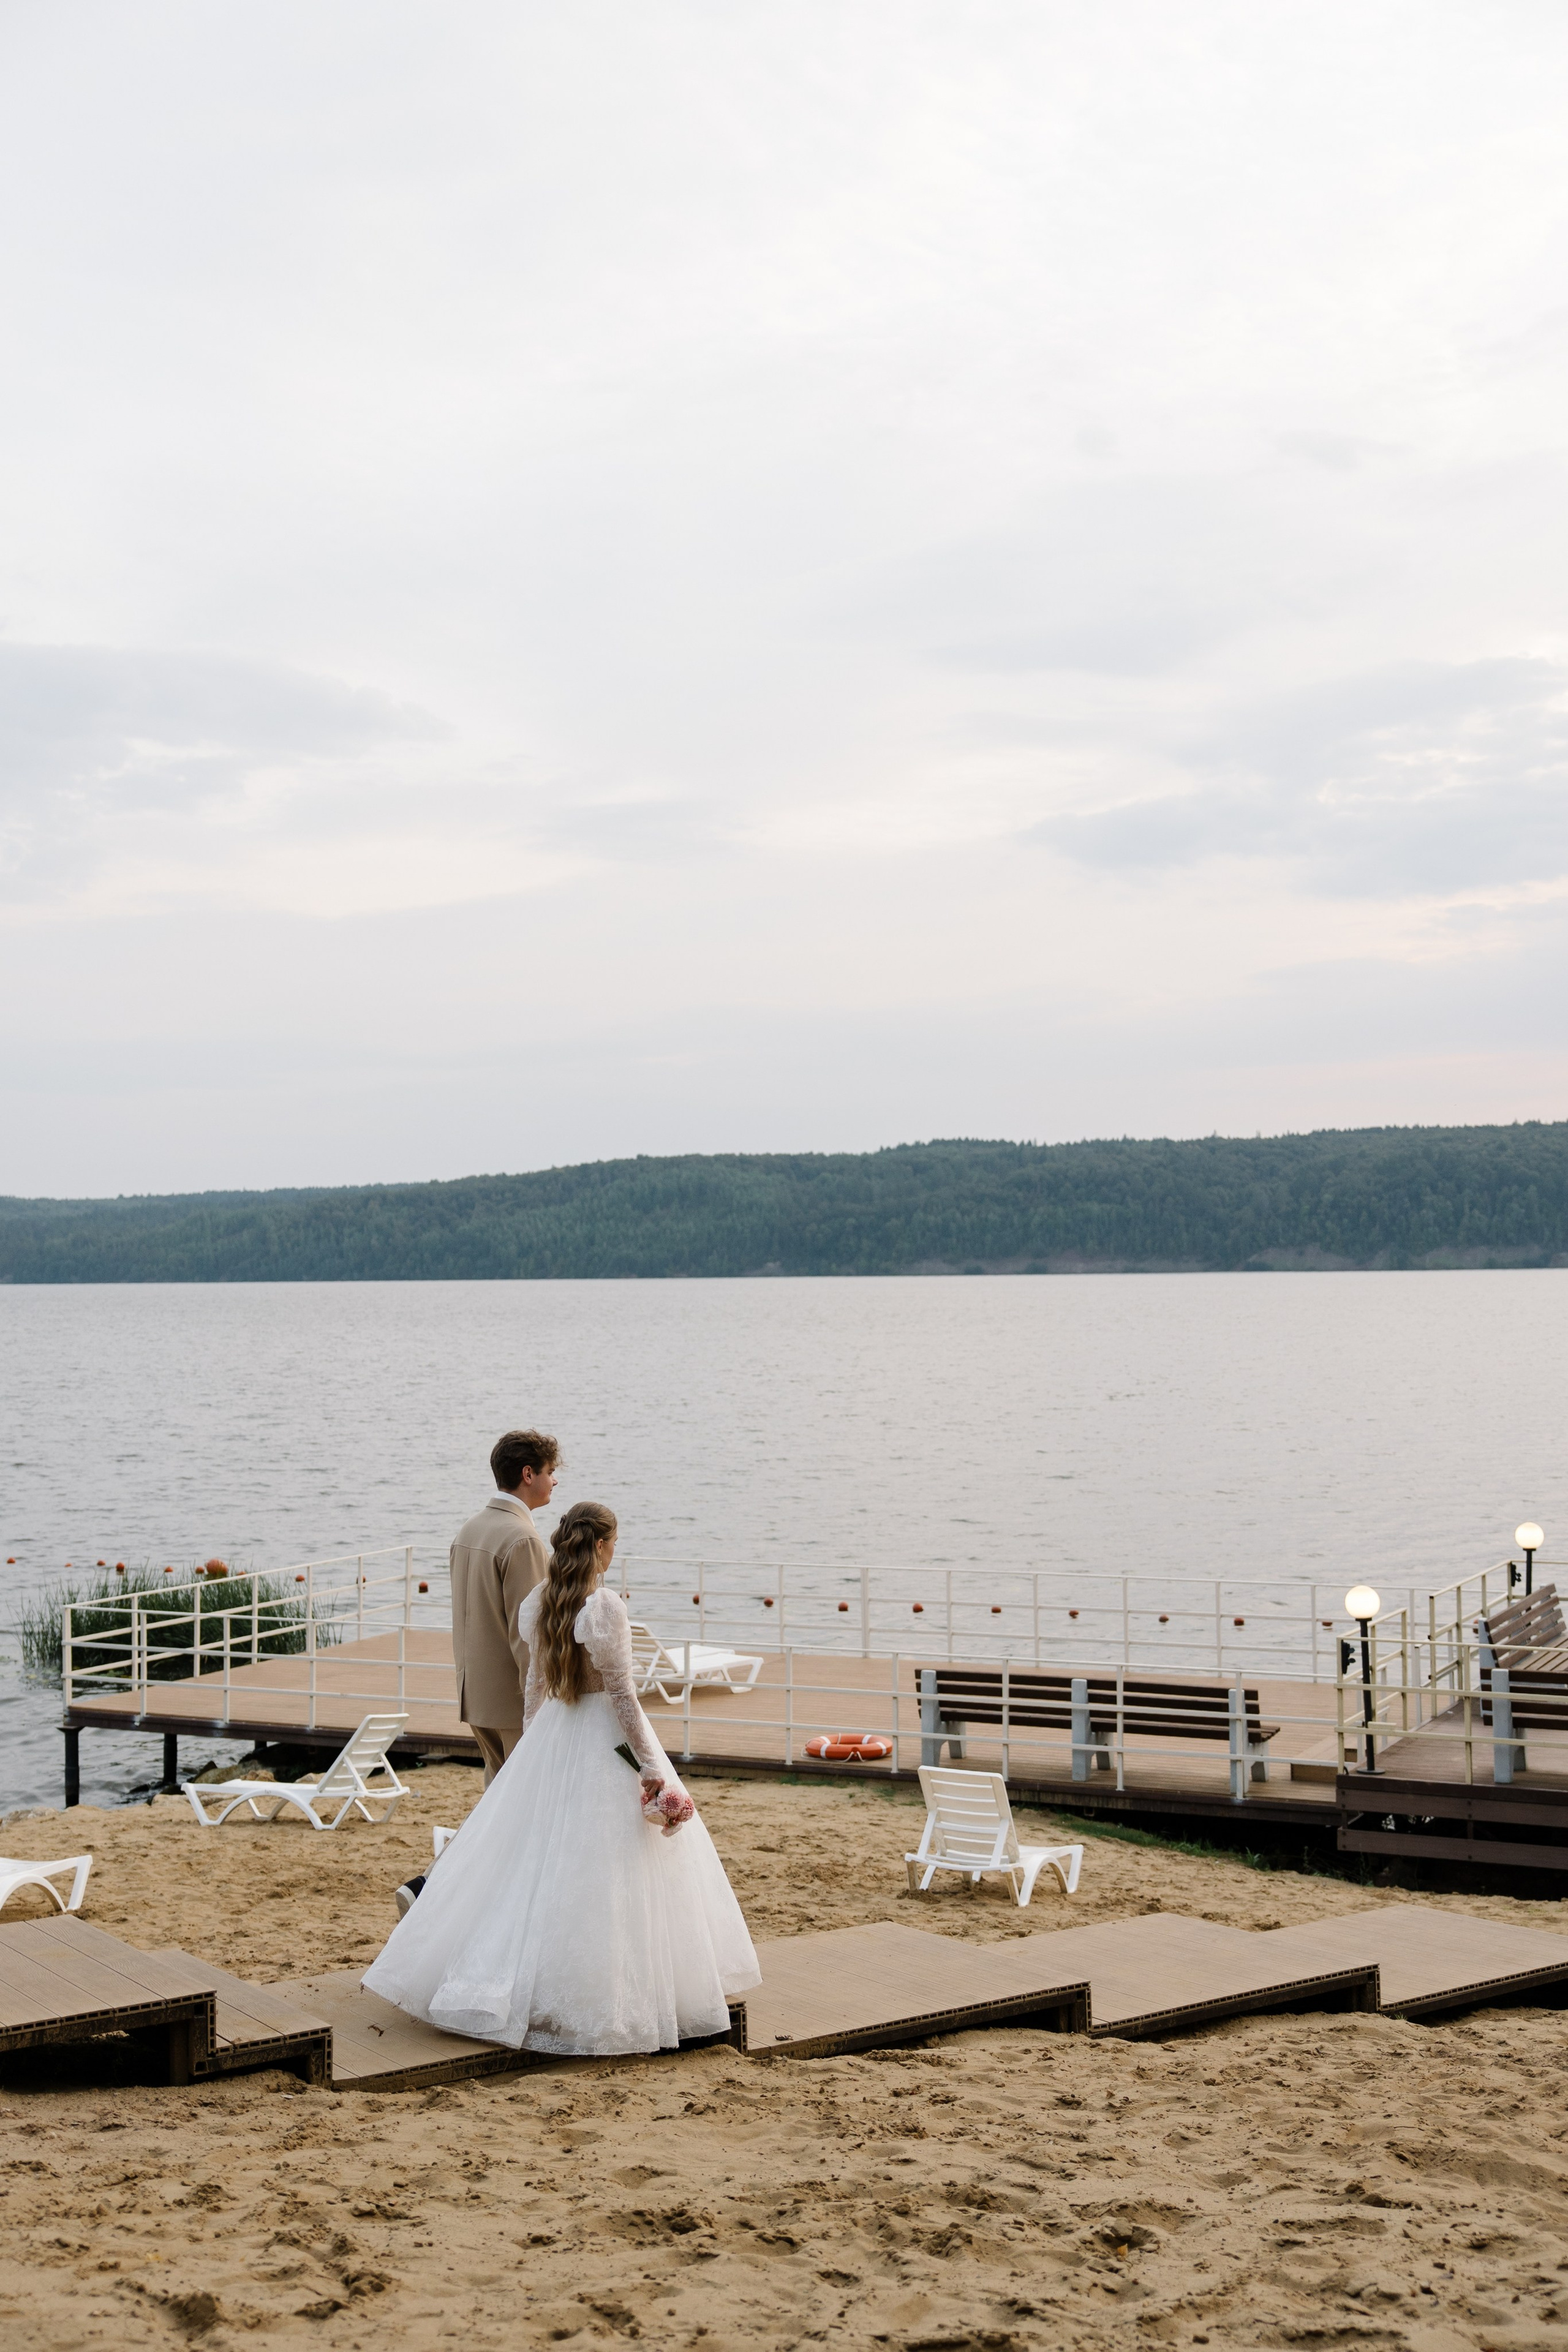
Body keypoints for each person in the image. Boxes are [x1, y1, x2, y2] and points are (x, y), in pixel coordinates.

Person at [364, 1501, 760, 2056]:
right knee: (614, 1865)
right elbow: (622, 1694)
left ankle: (529, 1984)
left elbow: (533, 1689)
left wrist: (533, 1753)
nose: (615, 1550)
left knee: (541, 1863)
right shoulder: (605, 1607)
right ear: (601, 1546)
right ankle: (618, 2000)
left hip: (554, 1730)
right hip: (602, 1733)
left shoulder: (539, 1602)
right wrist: (649, 1764)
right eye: (614, 1542)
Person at [451, 1428, 559, 1784]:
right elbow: (529, 1634)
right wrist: (542, 1708)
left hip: (476, 1695)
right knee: (524, 1803)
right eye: (550, 1471)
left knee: (497, 1803)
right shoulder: (523, 1539)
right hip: (513, 1704)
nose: (555, 1481)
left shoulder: (469, 1529)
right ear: (528, 1475)